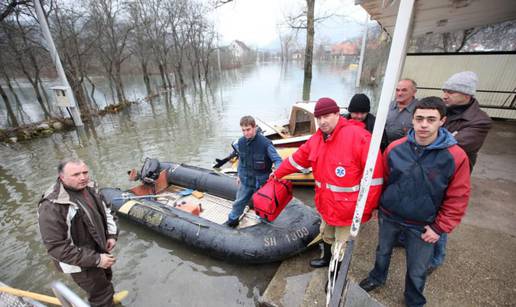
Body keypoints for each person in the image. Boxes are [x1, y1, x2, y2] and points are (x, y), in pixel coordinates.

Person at [358, 97, 471, 307]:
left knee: (418, 267)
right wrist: (375, 207)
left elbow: (458, 197)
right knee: (382, 250)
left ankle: (413, 299)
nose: (424, 125)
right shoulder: (394, 148)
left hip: (423, 224)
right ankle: (377, 277)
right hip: (389, 215)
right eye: (419, 118)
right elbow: (382, 181)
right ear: (412, 120)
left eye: (431, 119)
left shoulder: (456, 156)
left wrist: (439, 228)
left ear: (442, 121)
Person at [272, 97, 383, 274]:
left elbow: (375, 180)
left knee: (341, 246)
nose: (322, 121)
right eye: (319, 118)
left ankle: (335, 275)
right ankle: (326, 259)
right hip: (326, 204)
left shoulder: (360, 138)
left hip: (348, 210)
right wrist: (277, 174)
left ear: (338, 114)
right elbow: (296, 159)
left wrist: (366, 210)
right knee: (326, 235)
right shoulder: (317, 139)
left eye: (327, 116)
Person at [427, 71, 493, 272]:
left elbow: (454, 147)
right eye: (444, 90)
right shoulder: (443, 108)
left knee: (442, 215)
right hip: (429, 170)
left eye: (451, 91)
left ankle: (436, 258)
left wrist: (430, 136)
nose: (445, 95)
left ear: (467, 94)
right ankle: (411, 240)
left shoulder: (480, 121)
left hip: (451, 175)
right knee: (425, 206)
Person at [38, 159, 119, 307]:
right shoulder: (52, 206)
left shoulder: (90, 188)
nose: (83, 177)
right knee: (101, 293)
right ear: (62, 177)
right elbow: (56, 247)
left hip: (101, 249)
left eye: (85, 172)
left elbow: (106, 211)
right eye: (75, 174)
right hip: (80, 263)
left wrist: (111, 236)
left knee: (106, 281)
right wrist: (97, 260)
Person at [223, 116, 282, 228]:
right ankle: (232, 221)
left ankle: (263, 224)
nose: (246, 133)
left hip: (261, 182)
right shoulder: (240, 142)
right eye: (243, 130)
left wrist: (276, 172)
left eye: (248, 129)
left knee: (263, 205)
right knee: (238, 203)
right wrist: (239, 175)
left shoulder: (266, 144)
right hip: (246, 181)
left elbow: (278, 160)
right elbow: (241, 160)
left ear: (254, 127)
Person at [385, 79, 418, 144]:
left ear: (414, 92)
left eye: (404, 90)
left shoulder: (419, 109)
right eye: (397, 90)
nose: (399, 93)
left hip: (404, 150)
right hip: (383, 146)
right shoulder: (388, 106)